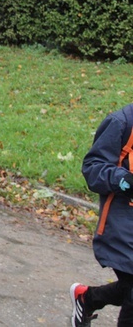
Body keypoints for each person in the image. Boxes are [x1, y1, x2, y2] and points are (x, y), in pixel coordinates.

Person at [70, 104, 133, 327]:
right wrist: (123, 180)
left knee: (130, 288)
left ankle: (87, 298)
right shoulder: (122, 122)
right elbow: (92, 168)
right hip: (122, 225)